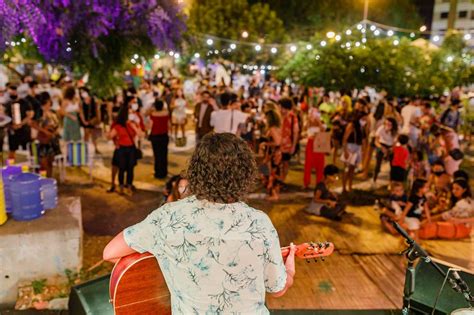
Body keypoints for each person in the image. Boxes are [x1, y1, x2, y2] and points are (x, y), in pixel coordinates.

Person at [103, 133, 296, 314]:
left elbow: (110, 253)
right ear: (245, 175)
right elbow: (277, 289)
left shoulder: (168, 217)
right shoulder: (259, 223)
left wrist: (168, 265)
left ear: (196, 171)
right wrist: (290, 270)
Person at [107, 102, 144, 195]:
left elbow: (141, 135)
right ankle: (121, 187)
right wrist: (115, 141)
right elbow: (109, 136)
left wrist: (134, 126)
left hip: (131, 149)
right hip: (122, 149)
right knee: (121, 169)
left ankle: (129, 185)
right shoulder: (118, 126)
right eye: (130, 112)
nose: (132, 114)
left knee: (130, 169)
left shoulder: (132, 124)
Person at [34, 92, 61, 177]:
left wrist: (56, 131)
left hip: (52, 141)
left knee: (50, 163)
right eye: (49, 100)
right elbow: (33, 124)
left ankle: (48, 181)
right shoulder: (39, 112)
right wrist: (45, 131)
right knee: (43, 164)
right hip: (43, 142)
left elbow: (57, 125)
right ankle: (42, 182)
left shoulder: (52, 112)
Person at [4, 85, 34, 160]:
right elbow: (5, 116)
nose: (12, 94)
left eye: (13, 92)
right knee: (12, 149)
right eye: (10, 93)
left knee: (28, 148)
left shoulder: (24, 102)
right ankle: (11, 167)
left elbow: (30, 114)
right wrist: (11, 125)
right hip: (13, 130)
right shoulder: (8, 104)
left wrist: (21, 124)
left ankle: (32, 164)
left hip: (24, 129)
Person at [259, 110, 283, 201]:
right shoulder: (276, 128)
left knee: (271, 173)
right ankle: (274, 193)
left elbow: (277, 142)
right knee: (271, 173)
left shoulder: (272, 129)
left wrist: (265, 144)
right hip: (274, 154)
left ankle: (274, 194)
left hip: (274, 155)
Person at [341, 111, 366, 192]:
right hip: (350, 147)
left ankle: (350, 186)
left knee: (352, 169)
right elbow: (345, 138)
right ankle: (344, 187)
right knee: (346, 169)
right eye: (363, 118)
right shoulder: (351, 125)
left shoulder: (361, 127)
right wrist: (345, 151)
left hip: (357, 147)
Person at [303, 104, 326, 188]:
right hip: (310, 143)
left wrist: (318, 121)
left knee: (320, 164)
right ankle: (306, 182)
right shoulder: (308, 123)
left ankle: (319, 183)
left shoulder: (321, 123)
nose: (313, 116)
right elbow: (305, 129)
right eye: (311, 114)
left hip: (319, 143)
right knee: (308, 164)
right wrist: (309, 121)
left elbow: (323, 131)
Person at [147, 99, 170, 179]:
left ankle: (158, 173)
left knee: (157, 155)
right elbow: (169, 124)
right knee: (164, 154)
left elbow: (150, 125)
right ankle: (164, 172)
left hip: (155, 136)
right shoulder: (166, 113)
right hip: (164, 136)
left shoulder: (153, 114)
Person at [279, 98, 299, 181]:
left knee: (285, 163)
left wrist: (293, 146)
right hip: (278, 143)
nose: (279, 108)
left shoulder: (292, 117)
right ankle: (277, 179)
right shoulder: (279, 115)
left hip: (287, 145)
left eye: (280, 106)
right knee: (278, 162)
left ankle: (282, 179)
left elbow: (295, 132)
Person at [373, 117, 398, 184]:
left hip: (390, 146)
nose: (387, 126)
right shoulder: (381, 128)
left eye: (389, 124)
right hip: (381, 145)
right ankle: (374, 179)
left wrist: (391, 149)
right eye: (386, 124)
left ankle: (391, 181)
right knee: (378, 163)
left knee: (392, 164)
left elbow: (394, 143)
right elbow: (376, 141)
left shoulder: (395, 131)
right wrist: (381, 147)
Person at [79, 88, 101, 153]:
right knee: (86, 134)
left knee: (93, 135)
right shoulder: (81, 102)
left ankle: (96, 148)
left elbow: (97, 110)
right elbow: (81, 112)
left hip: (93, 120)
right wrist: (84, 121)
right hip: (85, 120)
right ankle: (85, 148)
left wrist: (98, 119)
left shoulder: (94, 100)